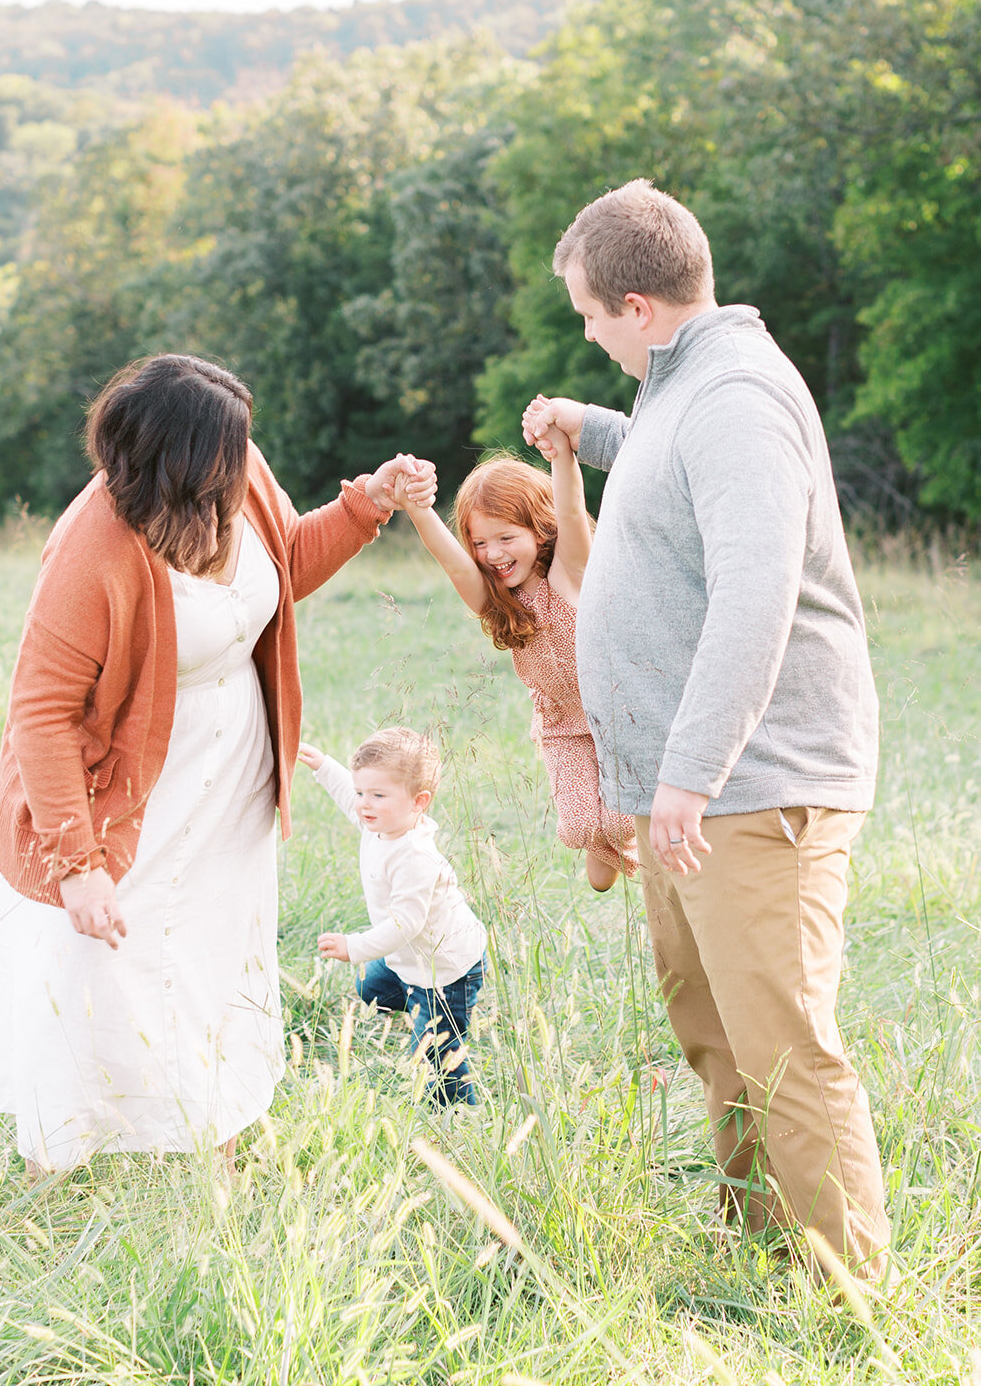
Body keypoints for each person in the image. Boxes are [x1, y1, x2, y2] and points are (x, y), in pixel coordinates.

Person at [522, 178, 890, 1281]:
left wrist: (687, 769)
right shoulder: (691, 387)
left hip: (750, 781)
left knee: (781, 1045)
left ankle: (848, 1299)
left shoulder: (732, 393)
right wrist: (587, 430)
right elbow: (670, 459)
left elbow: (752, 589)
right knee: (714, 1031)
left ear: (637, 304)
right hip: (696, 790)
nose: (584, 332)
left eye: (588, 313)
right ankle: (762, 1254)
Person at [0, 353, 436, 1173]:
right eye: (230, 454)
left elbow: (286, 561)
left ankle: (212, 1131)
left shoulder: (236, 475)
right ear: (177, 464)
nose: (246, 464)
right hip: (120, 794)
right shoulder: (94, 547)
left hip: (228, 778)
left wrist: (366, 505)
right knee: (102, 962)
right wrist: (79, 864)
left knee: (215, 950)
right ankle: (65, 1160)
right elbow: (40, 713)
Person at [395, 441, 636, 890]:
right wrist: (417, 509)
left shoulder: (571, 574)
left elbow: (569, 512)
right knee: (579, 829)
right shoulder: (499, 601)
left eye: (506, 538)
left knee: (624, 820)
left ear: (539, 530)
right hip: (563, 726)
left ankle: (623, 844)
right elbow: (453, 564)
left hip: (619, 715)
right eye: (480, 542)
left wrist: (561, 455)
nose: (493, 554)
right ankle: (601, 842)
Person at [298, 727, 487, 1106]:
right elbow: (346, 795)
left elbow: (405, 924)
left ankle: (461, 1108)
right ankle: (409, 1000)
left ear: (419, 802)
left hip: (445, 972)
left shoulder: (415, 857)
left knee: (435, 1057)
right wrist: (322, 766)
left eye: (378, 795)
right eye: (360, 792)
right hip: (409, 960)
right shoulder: (381, 825)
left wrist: (354, 946)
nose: (364, 804)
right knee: (371, 988)